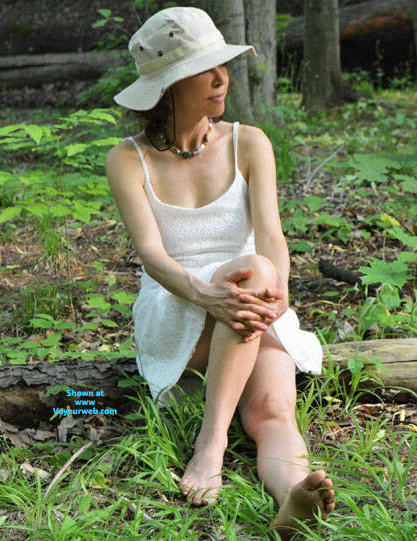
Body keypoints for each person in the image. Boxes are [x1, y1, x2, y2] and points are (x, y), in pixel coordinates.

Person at [105, 7, 335, 537]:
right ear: (167, 88)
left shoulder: (249, 142)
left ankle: (293, 495)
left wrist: (279, 291)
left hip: (251, 300)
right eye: (203, 69)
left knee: (274, 409)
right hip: (178, 306)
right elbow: (151, 255)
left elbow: (271, 235)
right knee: (252, 270)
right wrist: (207, 294)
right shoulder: (127, 160)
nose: (220, 78)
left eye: (222, 65)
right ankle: (212, 440)